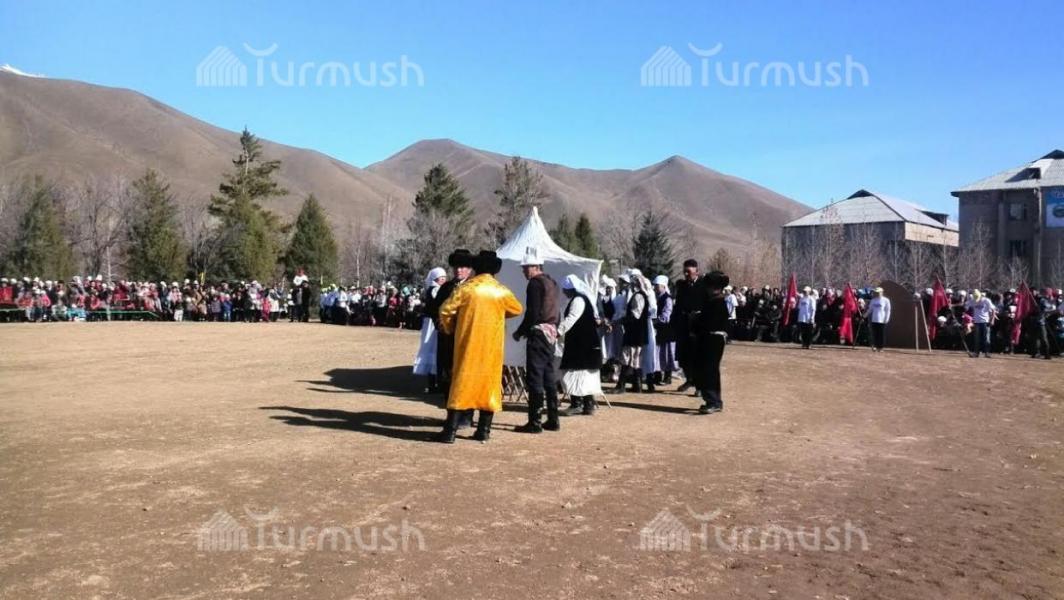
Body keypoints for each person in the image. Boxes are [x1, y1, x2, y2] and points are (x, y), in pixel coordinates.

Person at [436, 250, 522, 444]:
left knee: (461, 384)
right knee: (489, 386)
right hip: (492, 348)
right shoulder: (501, 291)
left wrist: (450, 328)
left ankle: (450, 432)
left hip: (467, 345)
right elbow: (517, 308)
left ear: (476, 267)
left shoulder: (467, 289)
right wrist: (499, 314)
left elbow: (445, 310)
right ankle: (483, 431)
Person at [512, 248, 561, 434]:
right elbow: (557, 311)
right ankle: (553, 419)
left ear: (535, 266)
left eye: (526, 267)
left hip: (539, 334)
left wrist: (520, 331)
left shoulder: (534, 284)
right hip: (551, 333)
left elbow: (532, 312)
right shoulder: (552, 282)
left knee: (535, 377)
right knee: (549, 376)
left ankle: (535, 421)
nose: (524, 271)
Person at [434, 249, 475, 426]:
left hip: (467, 339)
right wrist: (440, 323)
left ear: (469, 269)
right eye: (456, 267)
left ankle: (466, 415)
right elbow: (434, 308)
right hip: (447, 339)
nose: (459, 270)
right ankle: (451, 415)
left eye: (463, 267)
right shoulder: (446, 288)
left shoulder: (474, 288)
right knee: (447, 377)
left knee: (466, 377)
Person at [558, 274, 604, 416]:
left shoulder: (578, 300)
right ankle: (588, 405)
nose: (563, 292)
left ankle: (577, 404)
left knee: (577, 373)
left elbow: (571, 318)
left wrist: (557, 331)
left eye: (565, 289)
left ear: (570, 289)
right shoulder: (582, 299)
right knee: (584, 374)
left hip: (581, 345)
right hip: (585, 344)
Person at [691, 270, 730, 414]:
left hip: (712, 339)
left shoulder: (717, 302)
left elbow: (709, 323)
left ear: (715, 287)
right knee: (711, 370)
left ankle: (712, 401)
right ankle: (715, 401)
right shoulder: (713, 301)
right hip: (711, 338)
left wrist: (696, 319)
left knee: (708, 370)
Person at [610, 270, 650, 394]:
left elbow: (635, 315)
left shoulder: (638, 296)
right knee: (635, 359)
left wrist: (619, 321)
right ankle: (637, 385)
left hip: (635, 333)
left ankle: (621, 385)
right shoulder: (640, 295)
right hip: (637, 333)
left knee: (626, 358)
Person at [413, 267, 448, 392]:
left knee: (436, 350)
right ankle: (433, 383)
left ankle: (437, 382)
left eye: (444, 278)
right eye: (440, 278)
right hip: (432, 324)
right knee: (432, 349)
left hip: (436, 321)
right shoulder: (434, 290)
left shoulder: (438, 289)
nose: (443, 280)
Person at [673, 259, 700, 391]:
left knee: (697, 357)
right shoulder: (681, 286)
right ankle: (689, 380)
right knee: (683, 357)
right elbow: (678, 305)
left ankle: (699, 386)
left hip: (697, 326)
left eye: (688, 271)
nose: (686, 274)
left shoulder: (703, 286)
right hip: (683, 324)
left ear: (696, 271)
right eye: (684, 271)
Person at [653, 275, 676, 384]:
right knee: (658, 353)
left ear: (663, 286)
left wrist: (655, 321)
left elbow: (666, 316)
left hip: (666, 330)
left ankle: (667, 377)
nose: (655, 288)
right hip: (659, 330)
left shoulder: (667, 299)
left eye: (657, 286)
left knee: (667, 353)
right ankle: (657, 375)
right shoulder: (657, 298)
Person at [966, 289, 996, 358]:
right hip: (976, 322)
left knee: (986, 338)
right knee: (977, 338)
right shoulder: (973, 300)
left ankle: (987, 353)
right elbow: (964, 304)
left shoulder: (986, 300)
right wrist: (952, 305)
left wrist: (992, 320)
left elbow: (993, 309)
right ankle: (976, 353)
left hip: (985, 321)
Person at [865, 287, 891, 352]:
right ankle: (875, 346)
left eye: (879, 292)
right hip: (874, 319)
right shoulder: (873, 300)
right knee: (875, 334)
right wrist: (864, 315)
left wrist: (886, 319)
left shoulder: (886, 300)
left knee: (881, 334)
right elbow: (870, 310)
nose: (877, 293)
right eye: (876, 292)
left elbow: (888, 310)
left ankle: (881, 347)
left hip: (882, 320)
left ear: (882, 292)